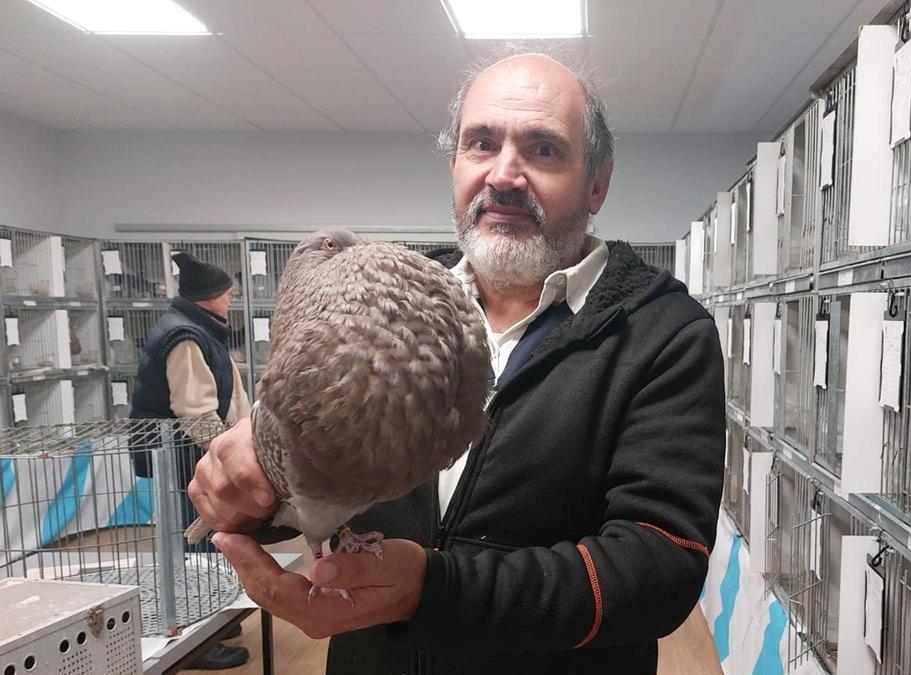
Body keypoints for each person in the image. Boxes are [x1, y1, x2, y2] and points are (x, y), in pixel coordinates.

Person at [189, 51, 727, 675]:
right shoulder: (373, 301)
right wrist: (256, 490)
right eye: (481, 144)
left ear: (598, 183)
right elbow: (321, 497)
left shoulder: (666, 332)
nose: (505, 174)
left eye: (544, 149)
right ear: (454, 166)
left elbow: (661, 565)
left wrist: (434, 592)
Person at [130, 251, 251, 670]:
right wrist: (230, 457)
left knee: (204, 541)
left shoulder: (201, 329)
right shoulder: (184, 336)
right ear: (208, 296)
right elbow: (195, 412)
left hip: (189, 458)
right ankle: (194, 637)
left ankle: (213, 616)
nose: (232, 300)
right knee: (192, 546)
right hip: (180, 459)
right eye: (228, 294)